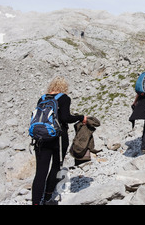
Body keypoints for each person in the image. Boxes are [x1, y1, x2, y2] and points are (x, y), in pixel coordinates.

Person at [31, 76, 88, 205]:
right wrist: (81, 117)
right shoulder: (64, 98)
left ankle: (35, 202)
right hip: (58, 138)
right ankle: (47, 196)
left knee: (40, 172)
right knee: (56, 167)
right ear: (64, 87)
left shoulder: (43, 98)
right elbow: (65, 117)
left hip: (40, 138)